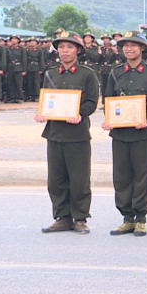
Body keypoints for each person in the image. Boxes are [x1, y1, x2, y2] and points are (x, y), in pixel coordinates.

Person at [102, 32, 147, 237]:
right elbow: (108, 101)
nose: (129, 49)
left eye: (134, 45)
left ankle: (140, 218)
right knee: (121, 176)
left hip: (143, 133)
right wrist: (110, 118)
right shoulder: (115, 73)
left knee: (141, 175)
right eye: (125, 46)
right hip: (120, 133)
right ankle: (126, 218)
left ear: (142, 49)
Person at [36, 31, 100, 234]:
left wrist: (79, 113)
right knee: (56, 180)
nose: (65, 51)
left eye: (69, 47)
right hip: (54, 133)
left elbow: (91, 102)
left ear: (78, 50)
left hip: (77, 134)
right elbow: (47, 100)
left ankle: (80, 218)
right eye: (61, 47)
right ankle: (62, 217)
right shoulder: (50, 74)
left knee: (79, 179)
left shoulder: (87, 74)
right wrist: (42, 113)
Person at [5, 35, 26, 103]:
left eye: (15, 39)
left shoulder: (21, 49)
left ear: (18, 40)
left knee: (18, 84)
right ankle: (12, 97)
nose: (13, 41)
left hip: (18, 68)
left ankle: (19, 97)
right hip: (10, 68)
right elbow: (6, 60)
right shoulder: (8, 49)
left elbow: (24, 60)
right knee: (11, 84)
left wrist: (24, 70)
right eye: (12, 39)